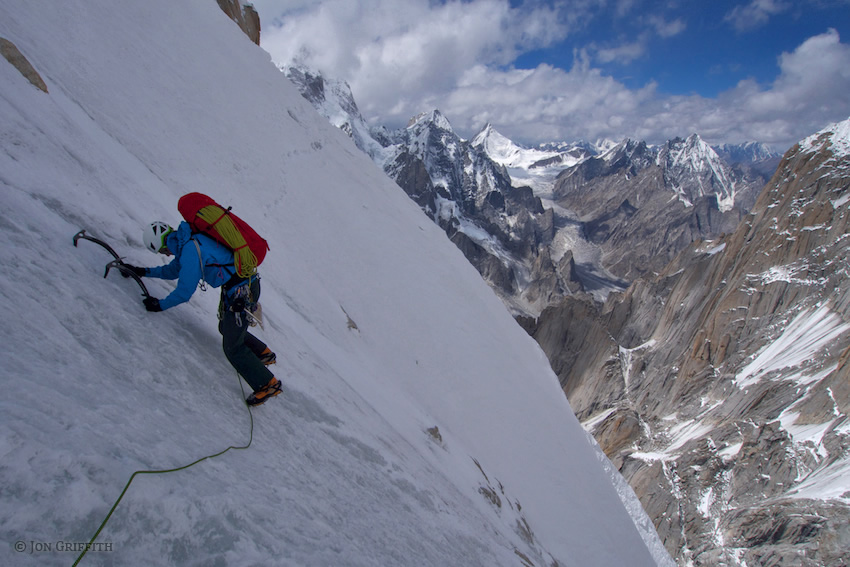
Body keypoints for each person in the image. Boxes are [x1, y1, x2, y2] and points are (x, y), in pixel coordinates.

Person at [125, 220, 281, 407]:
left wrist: (160, 305)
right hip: (242, 287)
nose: (164, 254)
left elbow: (184, 292)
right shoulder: (188, 241)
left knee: (232, 348)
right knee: (225, 326)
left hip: (241, 293)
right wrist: (142, 271)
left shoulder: (190, 250)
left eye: (161, 251)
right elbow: (173, 270)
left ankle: (268, 384)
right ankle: (263, 353)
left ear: (162, 245)